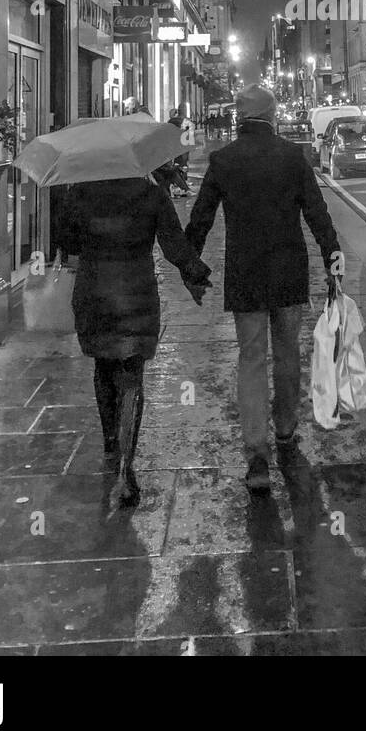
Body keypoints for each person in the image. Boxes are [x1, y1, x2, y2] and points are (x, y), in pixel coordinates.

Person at [187, 83, 342, 495]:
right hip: (289, 271)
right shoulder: (293, 157)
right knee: (288, 352)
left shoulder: (223, 160)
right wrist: (333, 258)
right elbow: (317, 213)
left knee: (251, 358)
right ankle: (287, 429)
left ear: (239, 116)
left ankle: (256, 452)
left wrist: (191, 268)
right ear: (272, 116)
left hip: (246, 274)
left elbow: (201, 218)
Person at [58, 177, 211, 510]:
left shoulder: (79, 192)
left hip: (94, 293)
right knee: (131, 376)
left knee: (103, 366)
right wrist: (194, 273)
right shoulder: (151, 193)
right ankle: (127, 462)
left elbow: (67, 242)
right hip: (135, 295)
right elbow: (173, 244)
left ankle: (111, 442)